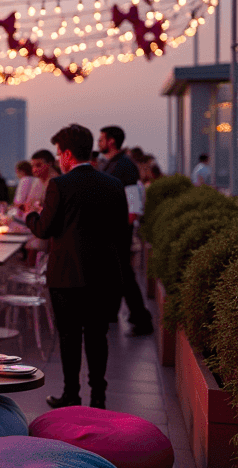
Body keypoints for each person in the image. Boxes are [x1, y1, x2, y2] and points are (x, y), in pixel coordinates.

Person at [25, 124, 130, 409]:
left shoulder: (60, 185)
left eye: (59, 154)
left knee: (69, 338)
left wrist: (31, 215)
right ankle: (99, 395)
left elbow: (44, 230)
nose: (59, 159)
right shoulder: (113, 184)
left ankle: (71, 394)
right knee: (97, 337)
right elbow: (122, 231)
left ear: (68, 154)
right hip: (104, 275)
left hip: (66, 275)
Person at [98, 125, 154, 335]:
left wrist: (123, 229)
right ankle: (112, 314)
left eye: (101, 139)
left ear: (111, 141)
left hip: (119, 230)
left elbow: (133, 203)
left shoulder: (124, 165)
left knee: (124, 275)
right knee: (116, 274)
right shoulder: (112, 164)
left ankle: (141, 319)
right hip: (113, 229)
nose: (99, 142)